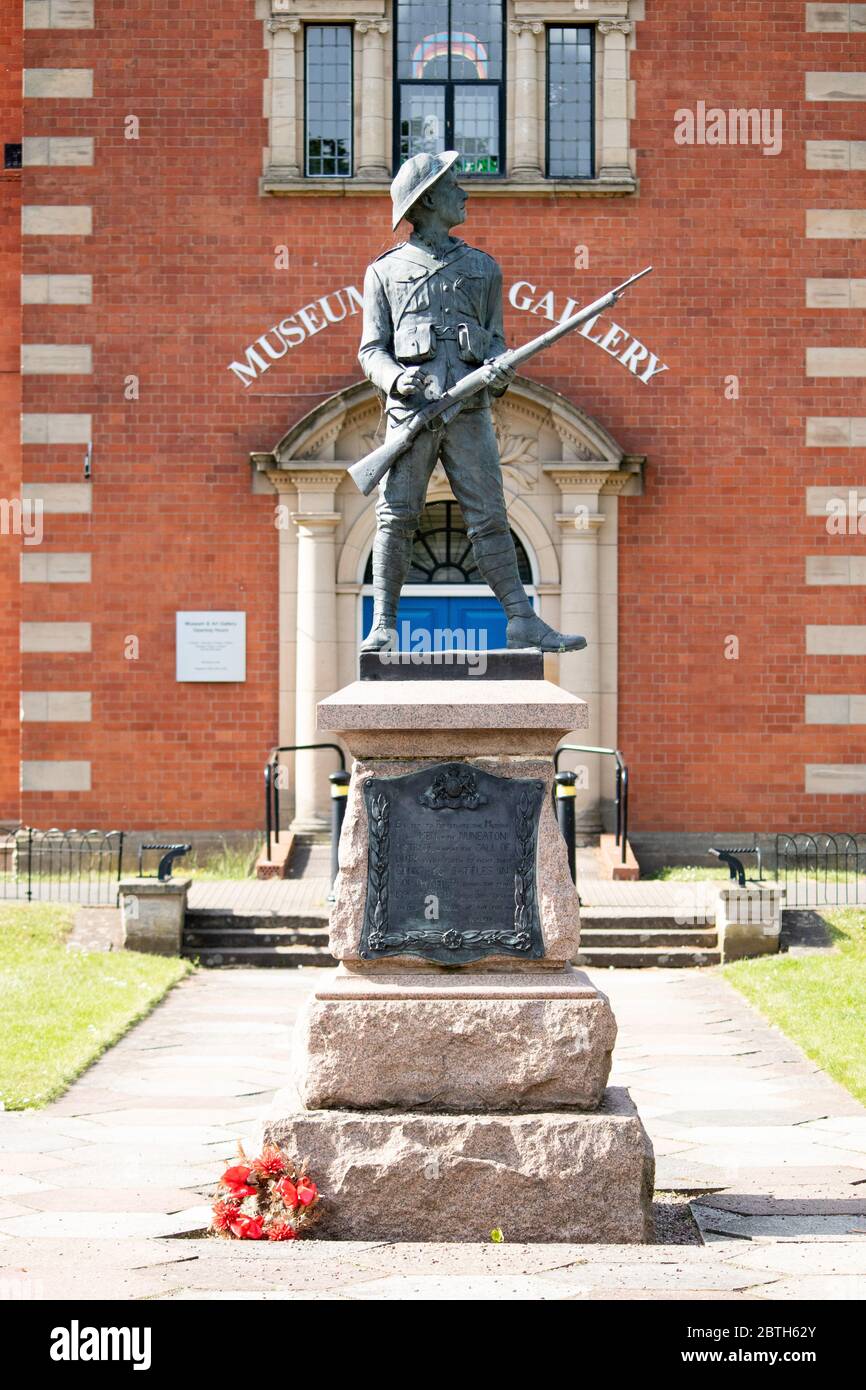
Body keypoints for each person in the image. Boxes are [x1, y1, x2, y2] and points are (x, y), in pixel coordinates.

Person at [357, 149, 587, 654]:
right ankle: (384, 625)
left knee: (489, 517)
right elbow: (371, 350)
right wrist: (398, 381)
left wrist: (500, 370)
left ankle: (523, 621)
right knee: (396, 517)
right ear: (428, 200)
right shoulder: (384, 273)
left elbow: (497, 342)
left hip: (468, 411)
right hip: (412, 415)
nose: (463, 193)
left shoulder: (484, 269)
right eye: (452, 186)